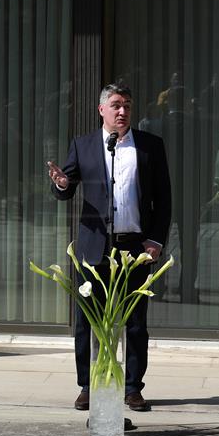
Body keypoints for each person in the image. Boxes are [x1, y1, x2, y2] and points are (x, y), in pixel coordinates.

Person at [46, 82, 171, 413]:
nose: (122, 111)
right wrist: (60, 183)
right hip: (94, 248)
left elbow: (164, 200)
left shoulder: (150, 146)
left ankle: (132, 388)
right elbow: (67, 188)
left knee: (135, 322)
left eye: (127, 105)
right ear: (101, 109)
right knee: (87, 320)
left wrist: (155, 241)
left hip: (134, 248)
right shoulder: (84, 146)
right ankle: (88, 385)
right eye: (116, 105)